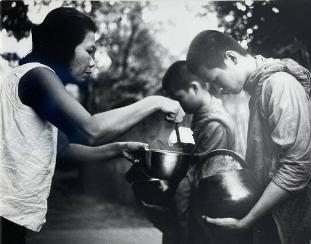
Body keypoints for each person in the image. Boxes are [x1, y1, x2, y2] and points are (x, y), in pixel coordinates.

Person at [0, 7, 184, 244]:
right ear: (64, 45)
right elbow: (90, 130)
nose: (93, 63)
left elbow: (63, 151)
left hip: (10, 214)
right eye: (89, 51)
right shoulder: (37, 76)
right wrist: (154, 102)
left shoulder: (33, 78)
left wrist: (119, 148)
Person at [186, 30, 311, 244]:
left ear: (231, 58)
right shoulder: (260, 88)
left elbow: (296, 166)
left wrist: (247, 221)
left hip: (307, 213)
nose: (217, 89)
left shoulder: (279, 84)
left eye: (214, 79)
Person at [132, 60, 237, 244]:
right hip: (197, 200)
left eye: (178, 98)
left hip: (205, 205)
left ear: (194, 88)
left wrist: (176, 216)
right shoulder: (200, 113)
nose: (176, 104)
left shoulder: (214, 123)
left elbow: (197, 175)